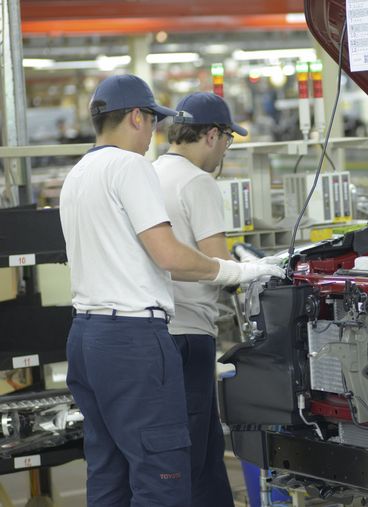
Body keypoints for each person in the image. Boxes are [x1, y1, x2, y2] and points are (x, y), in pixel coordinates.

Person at [59, 75, 284, 507]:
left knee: (109, 474)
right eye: (152, 122)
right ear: (136, 117)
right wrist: (241, 271)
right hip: (133, 340)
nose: (153, 134)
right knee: (162, 475)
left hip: (86, 337)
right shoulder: (130, 166)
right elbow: (170, 255)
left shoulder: (79, 173)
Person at [153, 92, 257, 506]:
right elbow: (218, 262)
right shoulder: (198, 182)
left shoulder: (152, 172)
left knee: (185, 447)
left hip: (156, 329)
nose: (225, 150)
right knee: (199, 450)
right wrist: (256, 271)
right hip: (191, 332)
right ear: (212, 135)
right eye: (228, 139)